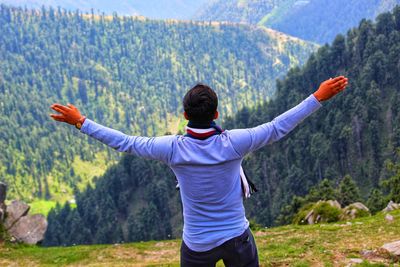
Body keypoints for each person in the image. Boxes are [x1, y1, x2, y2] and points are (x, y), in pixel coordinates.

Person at [50, 76, 348, 267]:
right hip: (237, 240)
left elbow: (125, 143)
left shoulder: (172, 149)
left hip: (197, 246)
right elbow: (276, 128)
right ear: (216, 115)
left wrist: (81, 122)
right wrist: (317, 97)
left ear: (184, 116)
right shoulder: (234, 143)